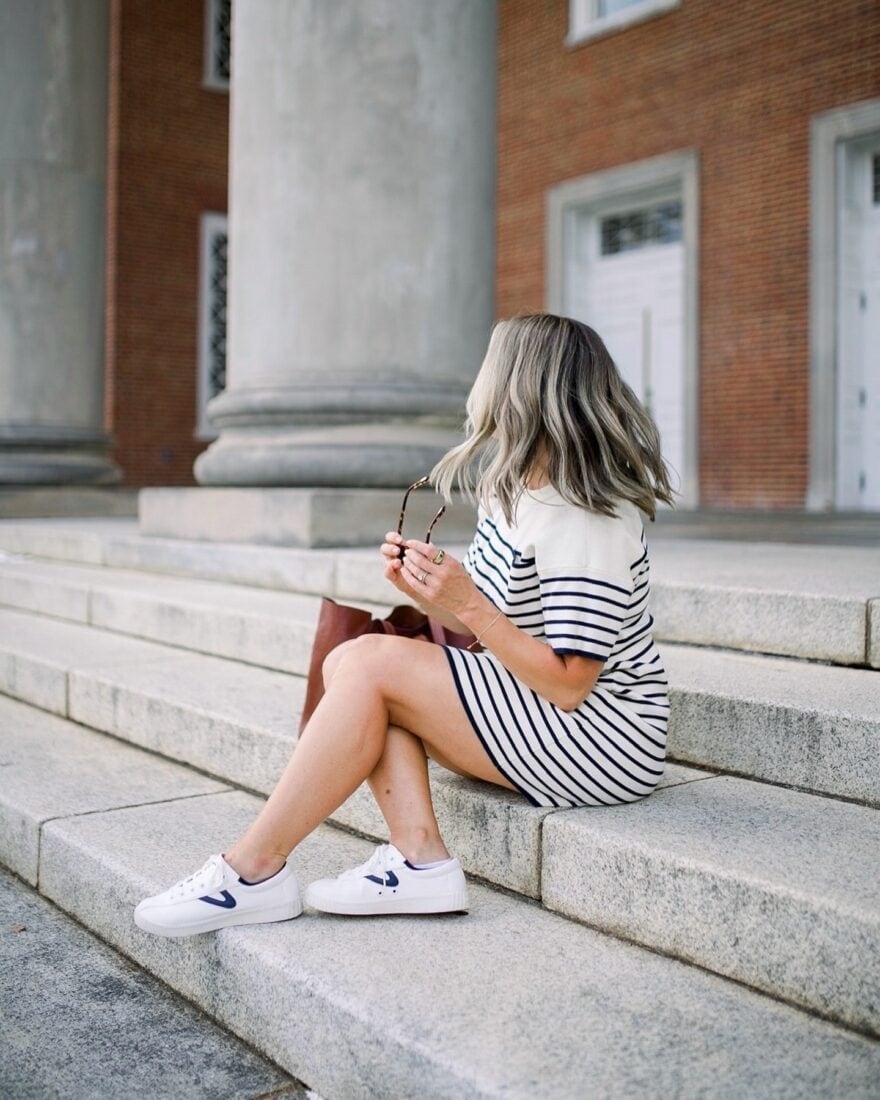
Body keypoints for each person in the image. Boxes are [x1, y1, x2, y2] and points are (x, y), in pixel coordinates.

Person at [134, 312, 677, 937]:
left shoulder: (586, 517)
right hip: (540, 706)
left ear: (522, 385)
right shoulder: (517, 488)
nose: (483, 382)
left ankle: (251, 871)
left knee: (367, 664)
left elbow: (571, 682)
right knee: (352, 660)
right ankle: (417, 856)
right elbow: (492, 624)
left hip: (604, 738)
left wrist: (467, 602)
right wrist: (428, 591)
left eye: (495, 367)